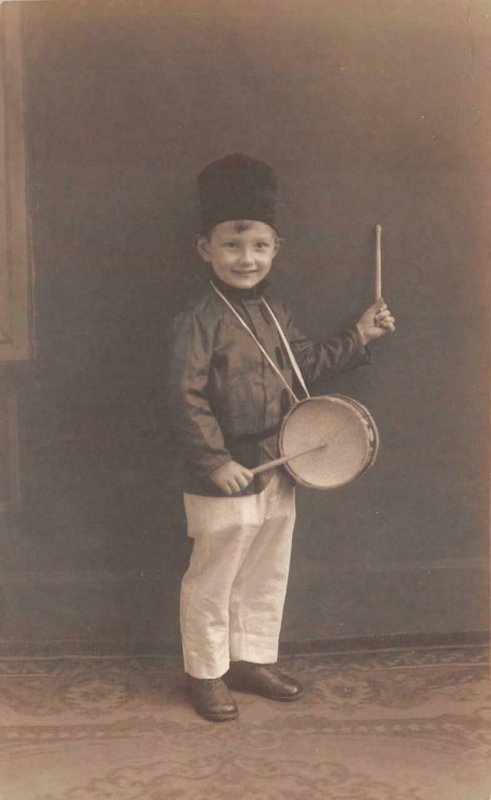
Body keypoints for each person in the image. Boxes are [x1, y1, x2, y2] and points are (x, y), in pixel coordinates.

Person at [167, 153, 395, 722]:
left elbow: (306, 366)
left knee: (267, 566)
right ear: (205, 249)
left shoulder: (275, 310)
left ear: (275, 249)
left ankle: (250, 659)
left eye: (259, 246)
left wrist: (360, 334)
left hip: (281, 460)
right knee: (215, 573)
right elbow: (183, 398)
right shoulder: (195, 321)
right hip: (223, 470)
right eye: (232, 245)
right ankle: (207, 672)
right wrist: (214, 460)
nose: (246, 258)